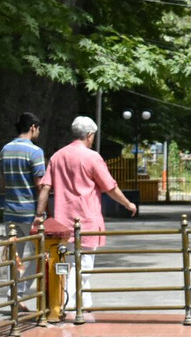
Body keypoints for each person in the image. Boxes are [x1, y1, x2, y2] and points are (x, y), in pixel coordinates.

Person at [37, 116, 137, 314]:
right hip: (87, 220)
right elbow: (110, 187)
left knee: (69, 263)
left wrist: (40, 214)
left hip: (62, 221)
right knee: (84, 266)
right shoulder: (92, 157)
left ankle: (84, 303)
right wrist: (128, 204)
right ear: (90, 135)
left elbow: (45, 187)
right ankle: (72, 305)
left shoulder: (58, 156)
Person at [2, 112, 46, 309]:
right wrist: (42, 212)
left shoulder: (5, 150)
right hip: (29, 212)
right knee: (40, 255)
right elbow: (40, 184)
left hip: (10, 210)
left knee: (15, 256)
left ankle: (13, 297)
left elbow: (3, 181)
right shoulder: (35, 152)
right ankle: (18, 292)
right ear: (33, 127)